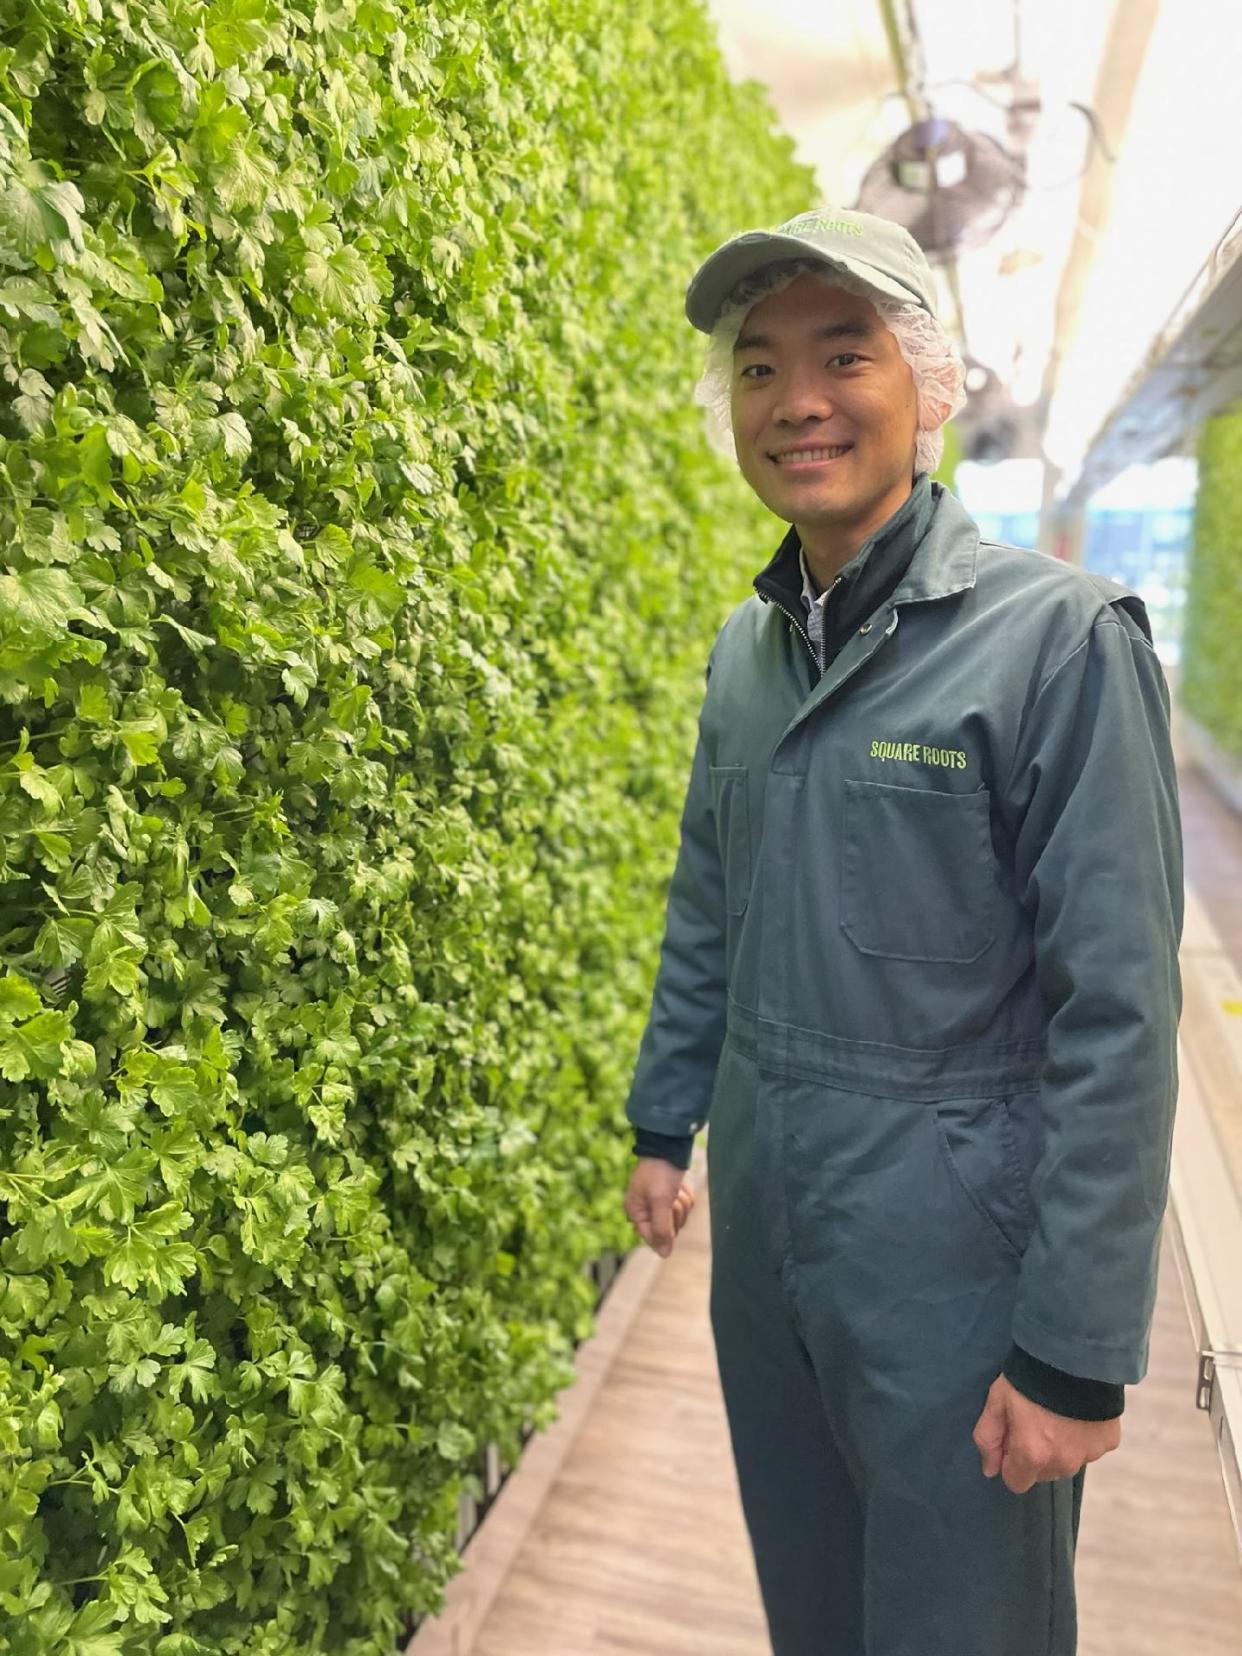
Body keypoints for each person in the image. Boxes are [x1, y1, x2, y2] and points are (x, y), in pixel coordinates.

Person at [621, 206, 1183, 1655]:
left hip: (951, 1256)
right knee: (808, 1600)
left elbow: (1117, 1015)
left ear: (927, 386)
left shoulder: (1058, 642)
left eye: (842, 355)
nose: (795, 403)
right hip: (771, 1230)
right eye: (757, 368)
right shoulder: (747, 651)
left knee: (960, 1623)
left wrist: (1071, 1350)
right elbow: (706, 899)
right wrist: (661, 1121)